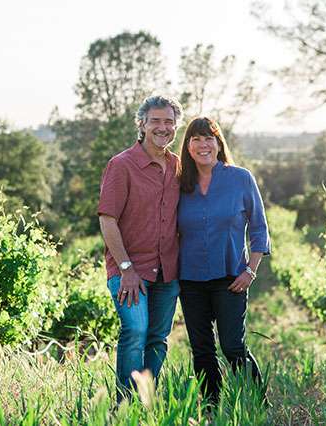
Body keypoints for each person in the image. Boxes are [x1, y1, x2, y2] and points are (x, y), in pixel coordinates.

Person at [177, 117, 270, 405]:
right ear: (188, 146)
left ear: (219, 143)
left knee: (233, 346)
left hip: (231, 278)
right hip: (191, 280)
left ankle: (258, 404)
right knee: (202, 349)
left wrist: (250, 272)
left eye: (209, 138)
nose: (203, 144)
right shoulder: (179, 184)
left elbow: (259, 228)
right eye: (196, 139)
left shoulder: (240, 178)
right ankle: (211, 408)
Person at [97, 95, 184, 402]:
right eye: (156, 121)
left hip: (167, 271)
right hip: (130, 270)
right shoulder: (122, 165)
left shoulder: (177, 166)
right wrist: (126, 269)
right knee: (135, 331)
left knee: (158, 339)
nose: (163, 127)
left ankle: (144, 402)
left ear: (175, 127)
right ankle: (125, 405)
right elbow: (108, 219)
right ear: (142, 124)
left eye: (169, 122)